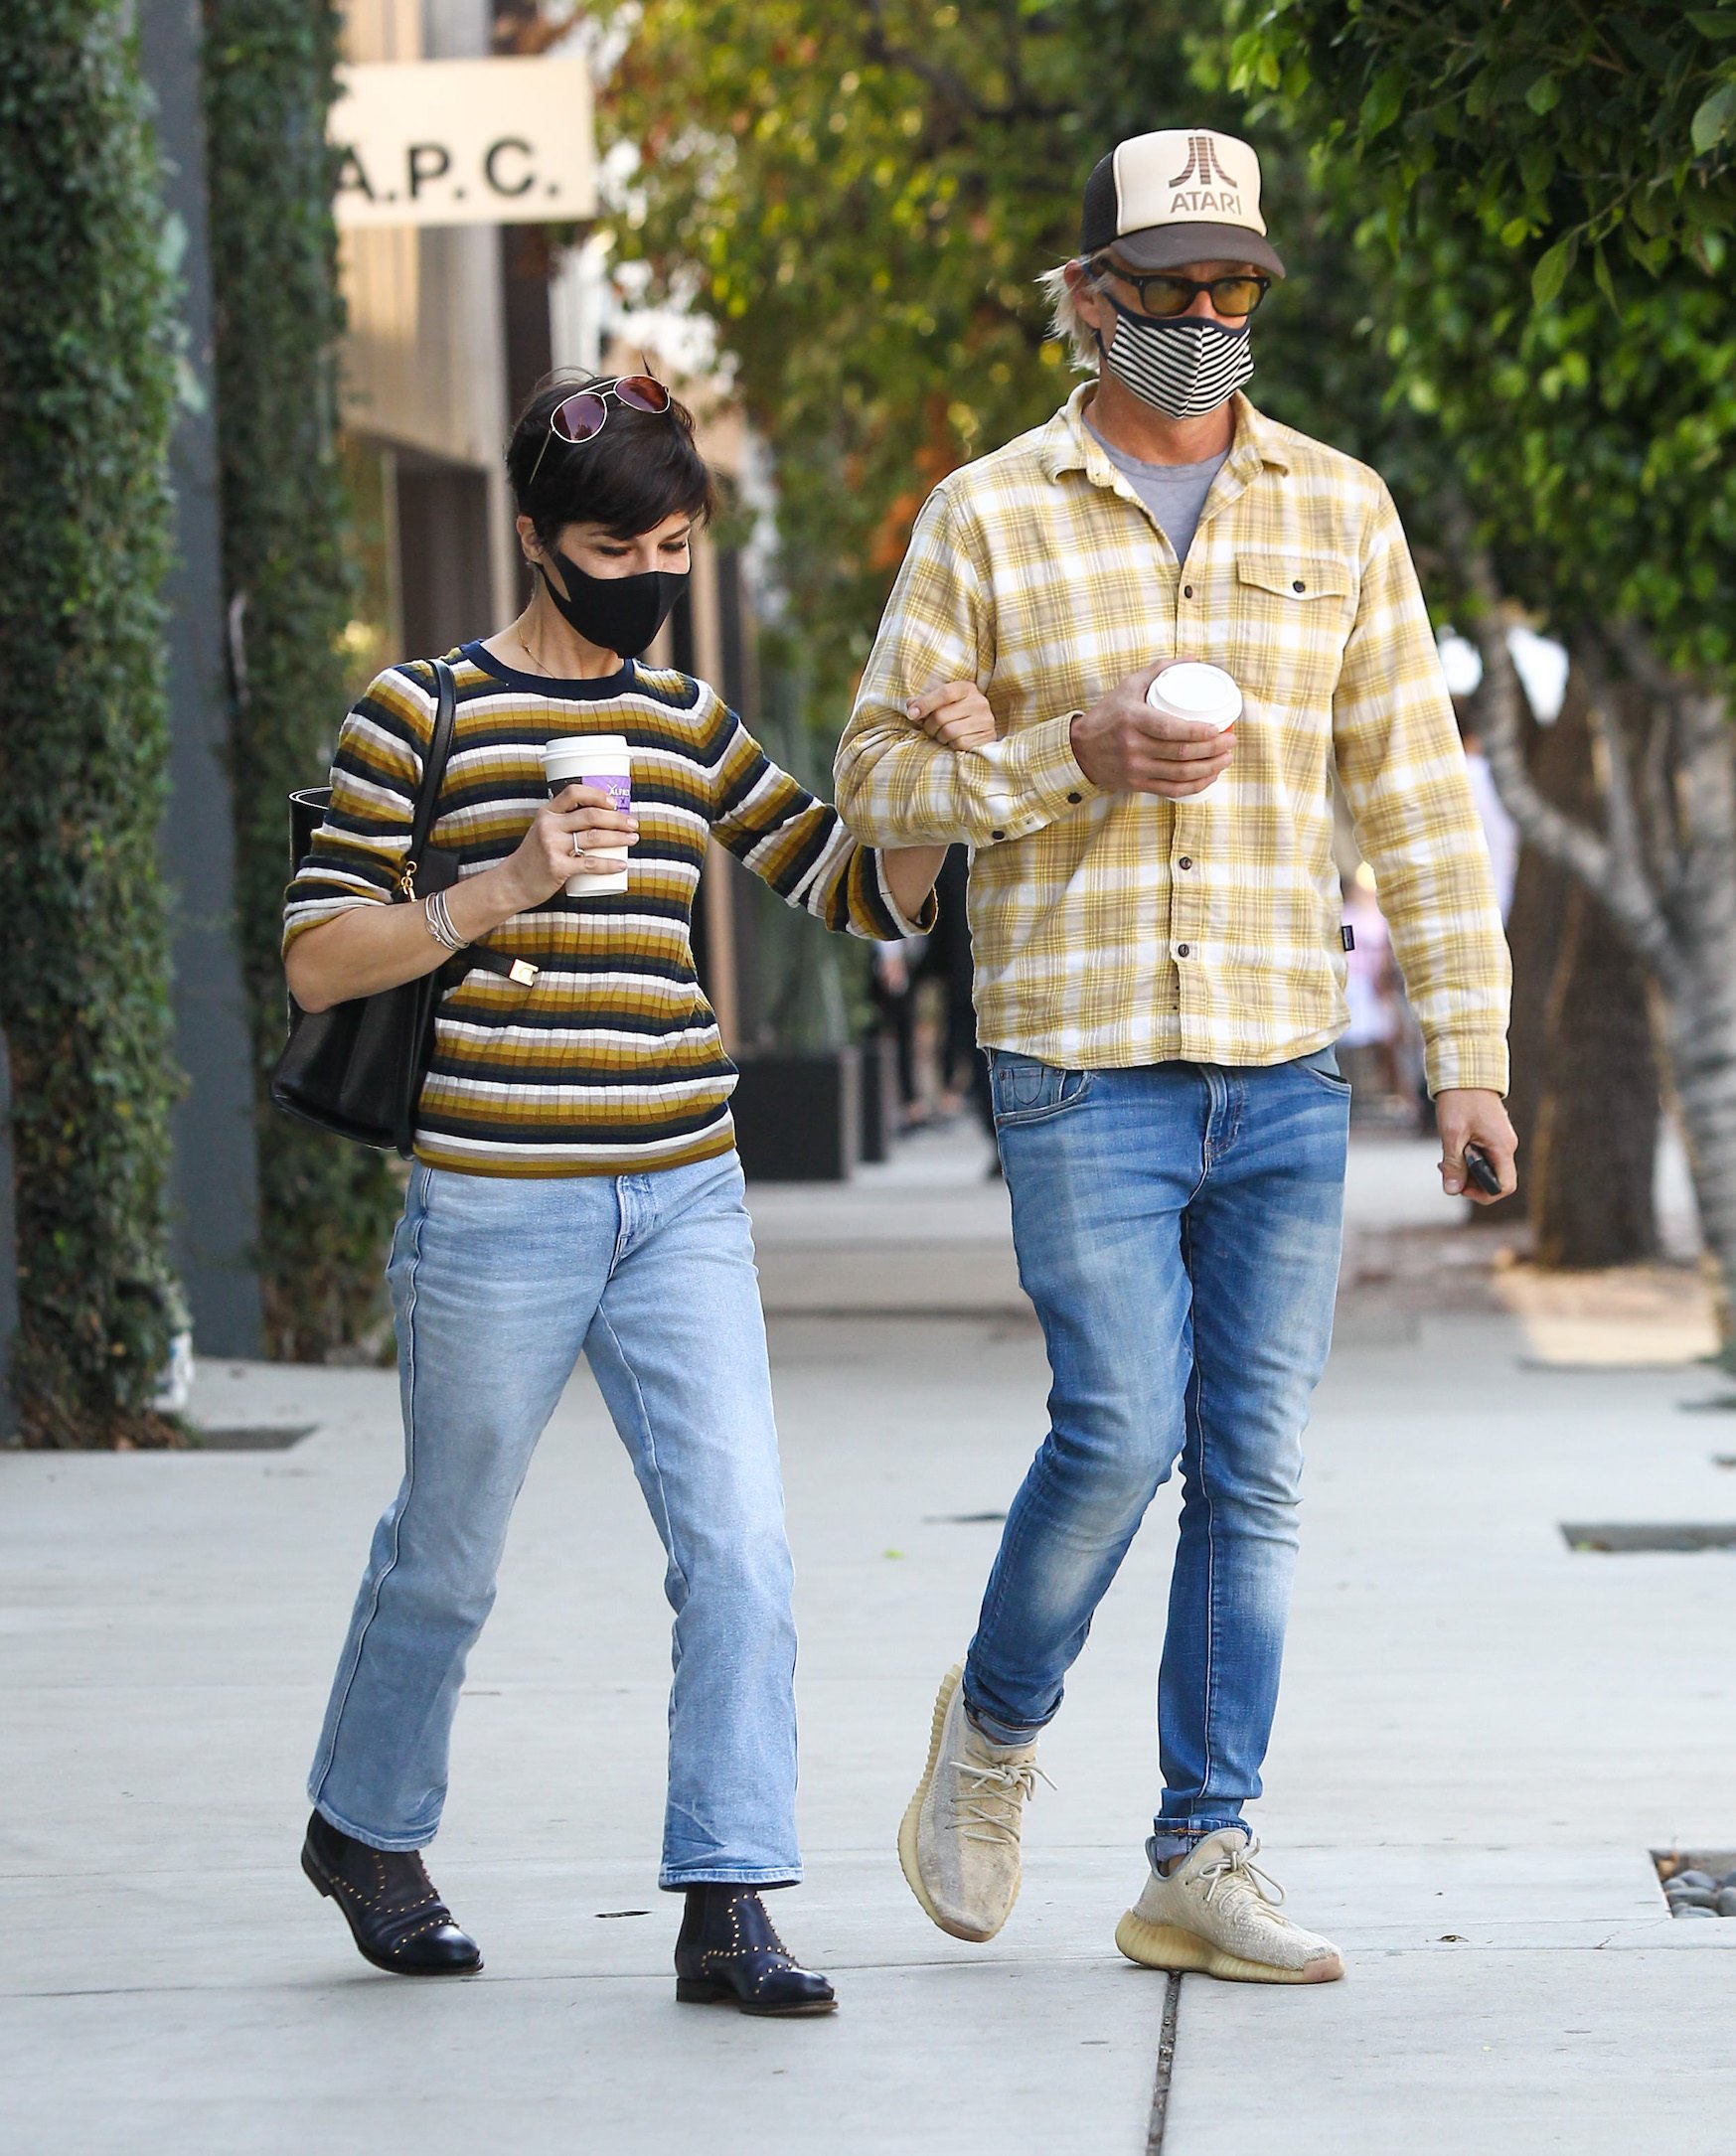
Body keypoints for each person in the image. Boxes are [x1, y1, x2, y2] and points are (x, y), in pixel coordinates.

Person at [835, 128, 1516, 1985]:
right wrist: (1073, 751)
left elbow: (1420, 805)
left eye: (1235, 292)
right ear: (1088, 294)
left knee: (1256, 1469)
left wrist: (1470, 1054)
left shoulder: (1341, 508)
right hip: (1079, 1059)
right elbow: (872, 785)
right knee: (1122, 1428)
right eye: (1168, 290)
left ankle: (1200, 1851)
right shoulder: (987, 513)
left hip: (1284, 1063)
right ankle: (989, 1733)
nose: (1207, 322)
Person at [284, 372, 992, 2013]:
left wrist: (935, 794)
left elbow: (854, 895)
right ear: (535, 536)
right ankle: (364, 1828)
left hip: (683, 1191)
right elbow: (322, 958)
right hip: (492, 1199)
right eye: (618, 544)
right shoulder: (421, 714)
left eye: (676, 543)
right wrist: (506, 881)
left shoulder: (686, 723)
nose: (649, 573)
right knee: (450, 1549)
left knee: (741, 1545)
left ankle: (728, 1895)